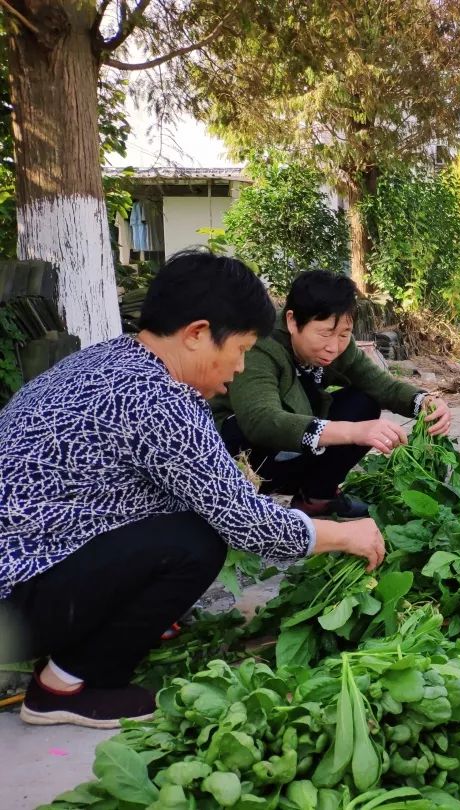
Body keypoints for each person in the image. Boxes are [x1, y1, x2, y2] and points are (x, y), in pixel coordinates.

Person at [0, 251, 386, 728]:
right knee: (196, 541)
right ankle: (67, 685)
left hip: (21, 576)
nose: (241, 368)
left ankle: (78, 653)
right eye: (241, 349)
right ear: (198, 333)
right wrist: (347, 536)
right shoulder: (160, 400)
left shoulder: (103, 360)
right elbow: (249, 524)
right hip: (14, 605)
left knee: (179, 520)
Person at [213, 270, 451, 517]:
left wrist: (424, 401)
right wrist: (354, 432)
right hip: (241, 456)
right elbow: (260, 420)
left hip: (294, 449)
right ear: (293, 321)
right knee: (257, 428)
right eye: (325, 333)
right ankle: (245, 500)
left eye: (344, 335)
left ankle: (317, 497)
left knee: (364, 403)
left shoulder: (338, 346)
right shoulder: (260, 346)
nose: (334, 346)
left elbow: (382, 386)